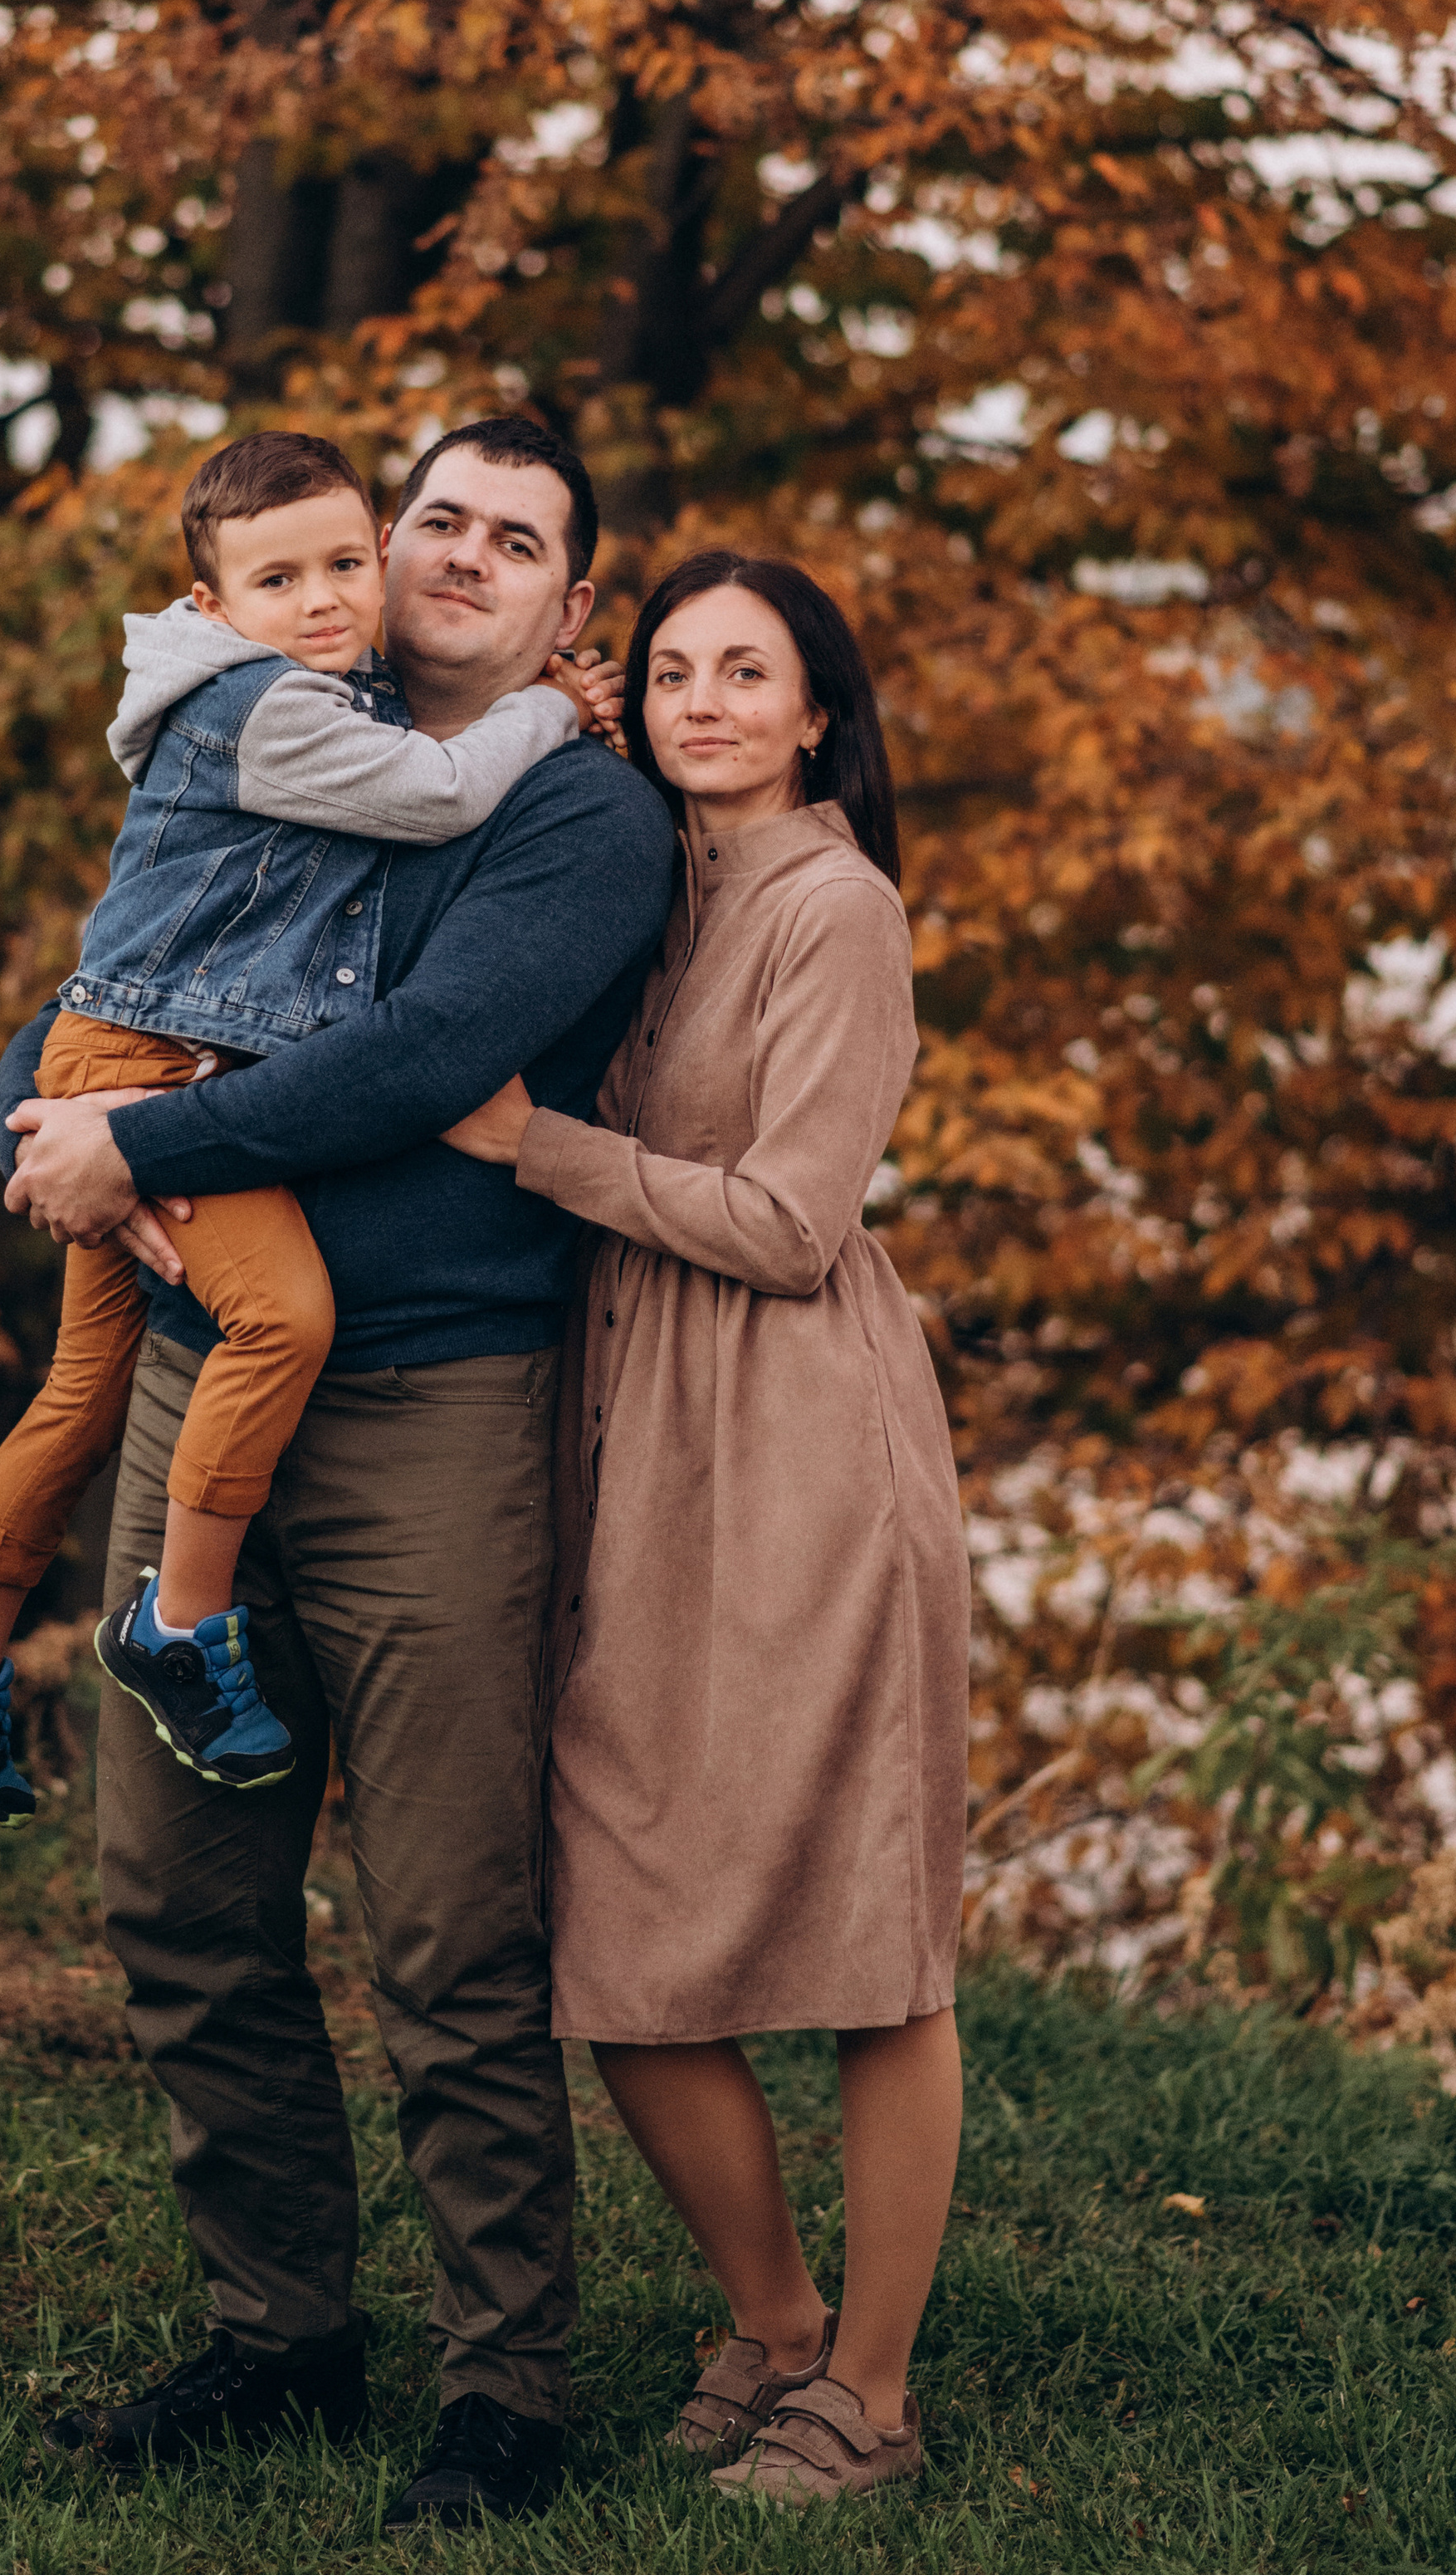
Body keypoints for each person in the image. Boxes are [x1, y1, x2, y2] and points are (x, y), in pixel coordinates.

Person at [0, 423, 677, 2527]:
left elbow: (414, 1064)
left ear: (573, 603)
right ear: (375, 554)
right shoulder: (269, 712)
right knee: (177, 1900)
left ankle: (505, 2388)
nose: (463, 556)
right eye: (434, 520)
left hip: (423, 1408)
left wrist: (146, 1153)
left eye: (518, 539)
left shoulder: (582, 817)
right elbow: (116, 978)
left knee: (452, 1923)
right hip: (202, 1388)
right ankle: (277, 2333)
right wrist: (36, 1120)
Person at [442, 549, 970, 2509]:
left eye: (748, 672)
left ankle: (873, 2391)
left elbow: (790, 1219)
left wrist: (534, 1146)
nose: (705, 702)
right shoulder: (640, 884)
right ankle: (766, 2321)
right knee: (619, 1916)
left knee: (870, 1937)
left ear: (816, 709)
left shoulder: (834, 906)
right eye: (670, 671)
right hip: (641, 1440)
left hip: (806, 1447)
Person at [0, 428, 592, 1824]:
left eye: (339, 565)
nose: (322, 599)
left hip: (130, 1055)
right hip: (158, 1065)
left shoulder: (320, 682)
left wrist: (87, 1130)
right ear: (211, 606)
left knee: (80, 1392)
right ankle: (179, 1627)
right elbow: (436, 797)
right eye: (280, 578)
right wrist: (552, 706)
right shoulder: (269, 708)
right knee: (281, 1321)